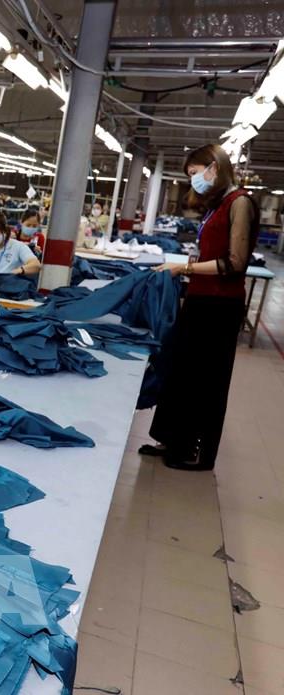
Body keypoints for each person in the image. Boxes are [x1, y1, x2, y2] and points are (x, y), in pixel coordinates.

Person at [144, 143, 258, 471]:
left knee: (206, 379)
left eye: (195, 173)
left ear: (214, 167)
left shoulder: (240, 203)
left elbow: (234, 263)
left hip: (220, 306)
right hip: (200, 299)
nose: (193, 180)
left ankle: (196, 452)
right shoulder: (217, 205)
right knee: (180, 371)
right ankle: (171, 439)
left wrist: (185, 268)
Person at [0, 210, 41, 275]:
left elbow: (36, 265)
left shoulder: (18, 247)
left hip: (8, 280)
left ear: (4, 230)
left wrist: (19, 271)